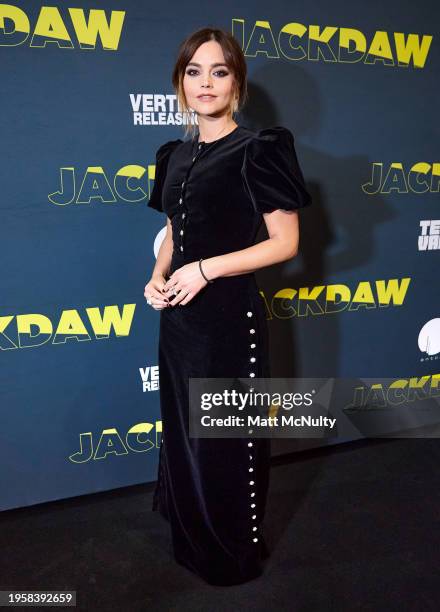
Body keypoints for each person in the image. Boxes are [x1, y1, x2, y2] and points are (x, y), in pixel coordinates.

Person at [144, 27, 312, 586]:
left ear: (236, 80)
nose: (206, 83)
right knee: (184, 435)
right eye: (194, 71)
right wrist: (158, 275)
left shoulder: (258, 150)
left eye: (219, 71)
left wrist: (205, 269)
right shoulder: (173, 154)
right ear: (180, 83)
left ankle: (227, 555)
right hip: (180, 321)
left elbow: (285, 243)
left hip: (227, 322)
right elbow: (175, 229)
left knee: (222, 442)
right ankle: (189, 539)